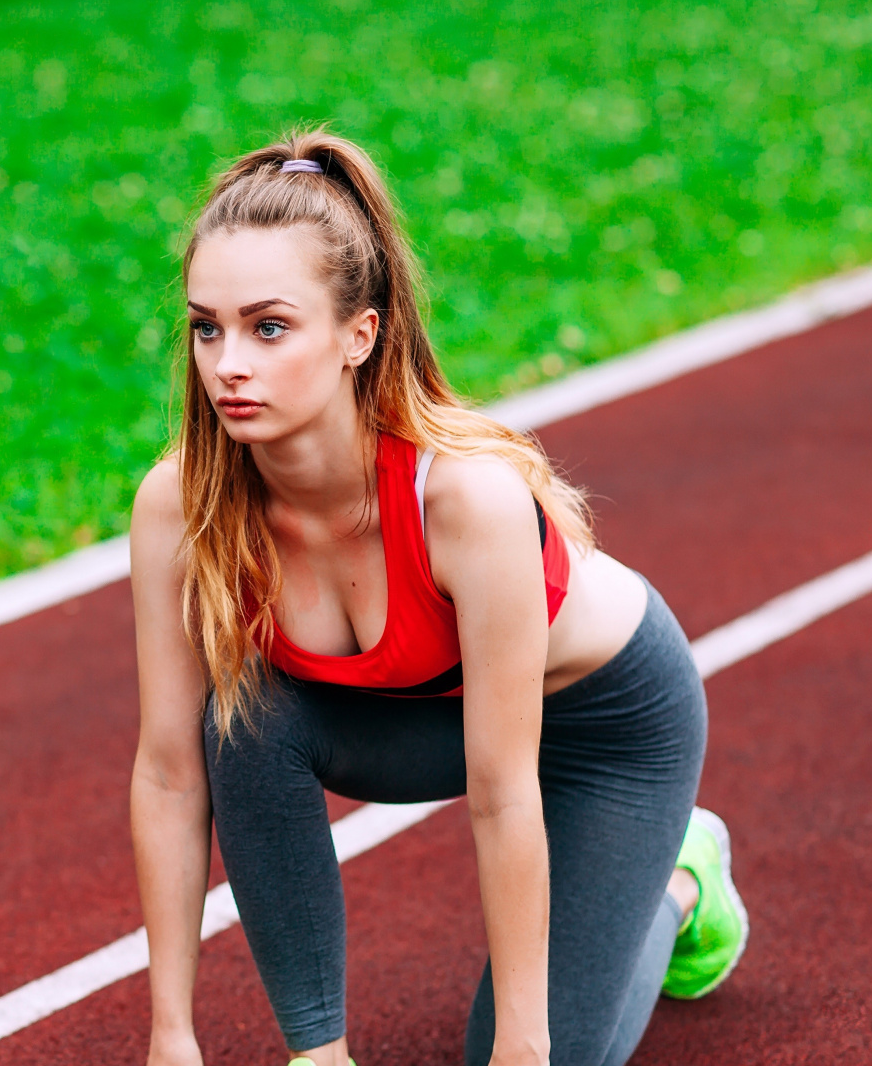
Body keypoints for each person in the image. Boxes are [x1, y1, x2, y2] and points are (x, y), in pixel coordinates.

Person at [127, 126, 750, 1066]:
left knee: (529, 1049)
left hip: (604, 726)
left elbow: (502, 794)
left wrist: (524, 1050)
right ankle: (319, 1054)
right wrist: (170, 1036)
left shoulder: (464, 502)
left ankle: (679, 881)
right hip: (429, 713)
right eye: (206, 327)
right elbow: (170, 775)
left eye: (269, 326)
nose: (228, 364)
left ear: (359, 335)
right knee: (242, 724)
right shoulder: (181, 505)